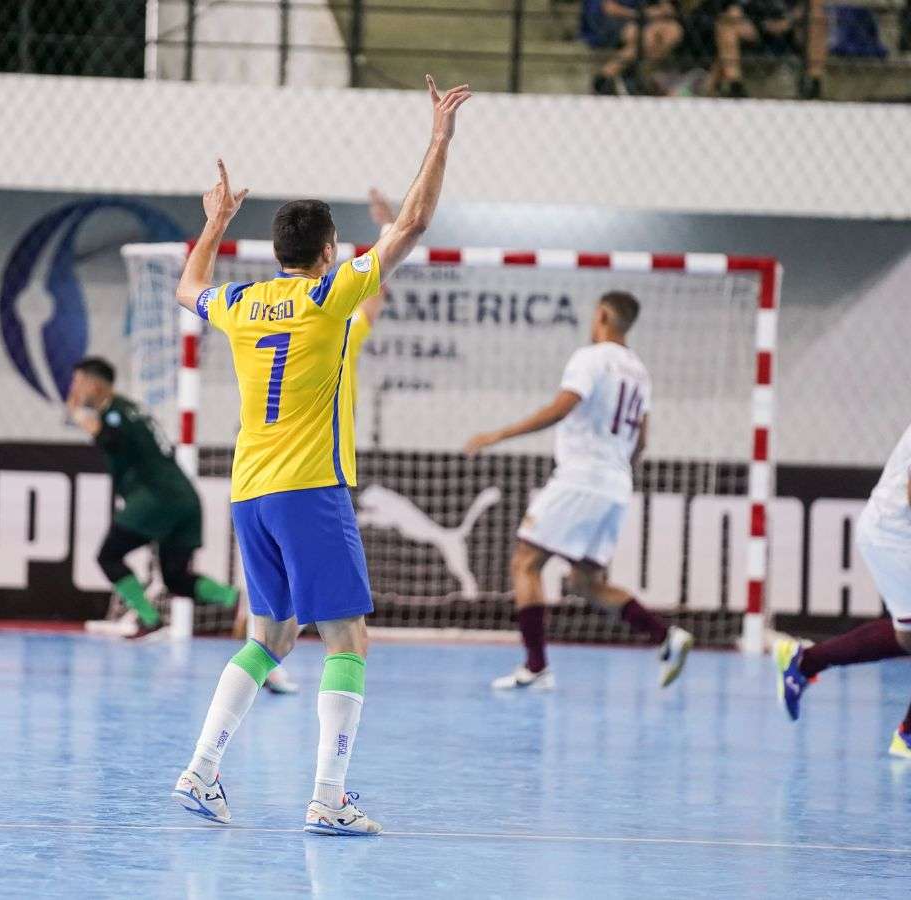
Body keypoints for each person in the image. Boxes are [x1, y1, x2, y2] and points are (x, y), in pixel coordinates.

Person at [170, 75, 471, 836]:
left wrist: (214, 222)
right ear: (328, 251)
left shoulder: (241, 304)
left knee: (268, 638)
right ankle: (328, 798)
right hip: (310, 488)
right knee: (347, 637)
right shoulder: (328, 296)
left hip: (248, 491)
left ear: (275, 252)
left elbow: (188, 287)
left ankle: (202, 771)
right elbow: (413, 224)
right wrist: (438, 140)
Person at [464, 291, 693, 690]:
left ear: (602, 314)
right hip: (617, 482)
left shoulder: (591, 358)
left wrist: (499, 433)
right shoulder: (639, 371)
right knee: (584, 582)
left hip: (581, 476)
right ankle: (665, 637)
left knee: (525, 562)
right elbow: (642, 441)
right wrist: (614, 467)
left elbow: (564, 406)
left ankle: (536, 668)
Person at [255, 188, 394, 697]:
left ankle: (260, 661)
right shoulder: (336, 322)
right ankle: (329, 780)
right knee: (348, 636)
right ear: (329, 252)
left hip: (255, 466)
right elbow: (374, 297)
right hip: (311, 472)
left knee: (268, 602)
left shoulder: (252, 305)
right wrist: (385, 229)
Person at [66, 357, 239, 639]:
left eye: (77, 382)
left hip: (159, 499)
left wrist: (85, 421)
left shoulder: (115, 413)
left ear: (94, 385)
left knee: (109, 555)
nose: (73, 389)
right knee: (176, 578)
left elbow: (110, 439)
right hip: (185, 499)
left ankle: (149, 619)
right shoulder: (131, 410)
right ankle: (235, 599)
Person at [775, 420, 911, 756]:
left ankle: (806, 661)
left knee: (907, 637)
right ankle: (908, 735)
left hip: (892, 532)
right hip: (897, 535)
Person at [705, 0, 826, 98]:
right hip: (753, 25)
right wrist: (738, 14)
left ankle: (813, 83)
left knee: (817, 16)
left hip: (789, 25)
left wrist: (789, 21)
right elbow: (727, 5)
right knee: (727, 20)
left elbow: (813, 4)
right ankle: (735, 86)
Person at [584, 0, 685, 95]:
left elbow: (668, 10)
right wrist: (640, 14)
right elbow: (610, 9)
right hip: (608, 22)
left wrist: (657, 11)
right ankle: (604, 77)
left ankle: (643, 76)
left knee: (674, 31)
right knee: (647, 37)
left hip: (642, 22)